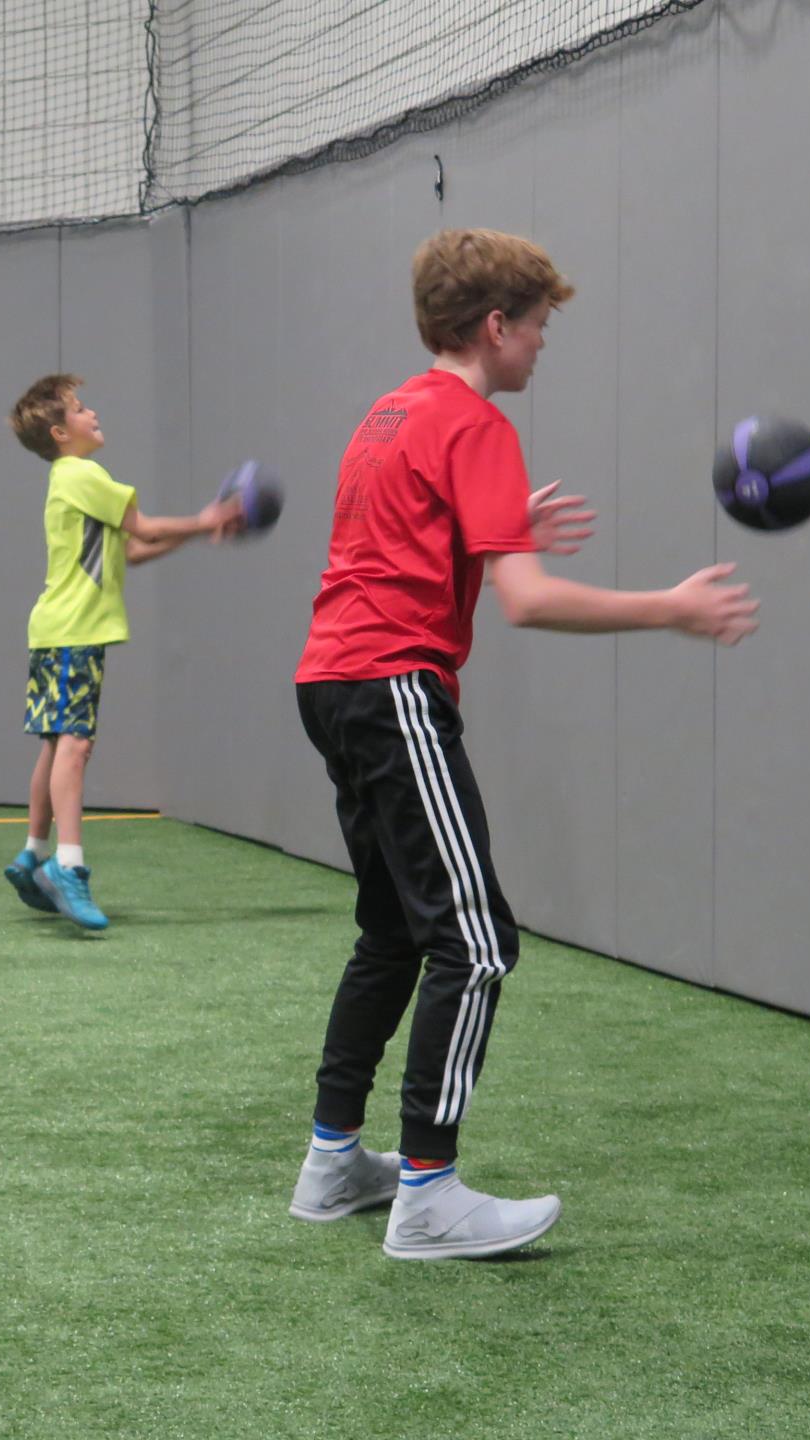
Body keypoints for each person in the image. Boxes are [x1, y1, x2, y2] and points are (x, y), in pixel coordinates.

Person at [288, 228, 759, 1259]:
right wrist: (670, 608)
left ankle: (333, 1163)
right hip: (394, 688)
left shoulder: (390, 412)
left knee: (393, 928)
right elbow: (529, 604)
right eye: (539, 326)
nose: (545, 344)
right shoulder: (476, 425)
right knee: (476, 936)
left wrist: (495, 527)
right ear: (495, 326)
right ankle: (428, 1193)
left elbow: (399, 541)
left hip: (330, 683)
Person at [3, 374, 238, 931]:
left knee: (57, 744)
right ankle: (69, 867)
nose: (93, 414)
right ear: (61, 432)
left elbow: (131, 550)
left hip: (56, 630)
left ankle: (33, 854)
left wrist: (201, 532)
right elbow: (145, 525)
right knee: (76, 746)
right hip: (74, 633)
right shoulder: (83, 473)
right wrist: (208, 519)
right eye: (81, 409)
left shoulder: (70, 478)